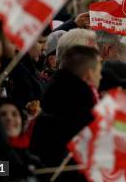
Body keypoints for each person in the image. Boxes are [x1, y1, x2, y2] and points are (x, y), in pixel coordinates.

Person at [29, 45, 101, 180]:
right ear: (89, 74)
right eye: (99, 71)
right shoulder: (81, 111)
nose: (100, 76)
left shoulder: (51, 96)